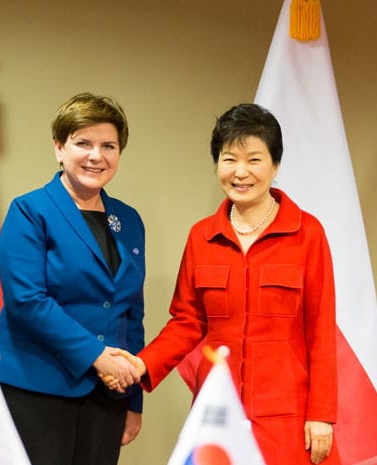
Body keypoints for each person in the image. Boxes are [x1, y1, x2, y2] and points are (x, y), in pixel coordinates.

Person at [104, 103, 340, 465]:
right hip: (218, 414)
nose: (240, 172)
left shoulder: (307, 233)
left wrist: (321, 413)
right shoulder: (202, 236)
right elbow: (187, 322)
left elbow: (322, 330)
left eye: (254, 160)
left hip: (288, 418)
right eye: (229, 159)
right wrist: (141, 365)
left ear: (275, 166)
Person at [0, 92, 145, 465]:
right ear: (59, 148)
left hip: (107, 394)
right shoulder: (30, 211)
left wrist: (133, 396)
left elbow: (131, 314)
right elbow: (27, 300)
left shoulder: (129, 220)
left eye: (108, 145)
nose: (97, 156)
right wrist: (97, 356)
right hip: (36, 387)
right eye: (83, 143)